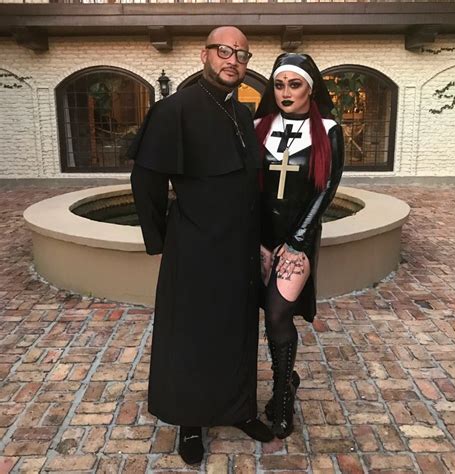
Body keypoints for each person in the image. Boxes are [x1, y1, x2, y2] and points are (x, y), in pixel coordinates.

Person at [128, 26, 273, 465]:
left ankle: (239, 409)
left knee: (238, 330)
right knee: (193, 336)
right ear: (205, 54)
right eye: (225, 51)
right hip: (194, 247)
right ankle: (191, 422)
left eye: (242, 55)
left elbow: (253, 184)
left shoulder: (243, 114)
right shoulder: (173, 110)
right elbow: (146, 182)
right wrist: (167, 240)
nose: (234, 61)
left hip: (241, 246)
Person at [254, 53, 344, 439]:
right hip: (258, 240)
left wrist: (295, 242)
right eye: (279, 85)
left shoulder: (328, 129)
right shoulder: (258, 125)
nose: (285, 93)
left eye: (294, 85)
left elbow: (326, 191)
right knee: (256, 314)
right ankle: (286, 376)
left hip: (298, 240)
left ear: (310, 88)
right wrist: (257, 241)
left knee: (277, 314)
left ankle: (283, 395)